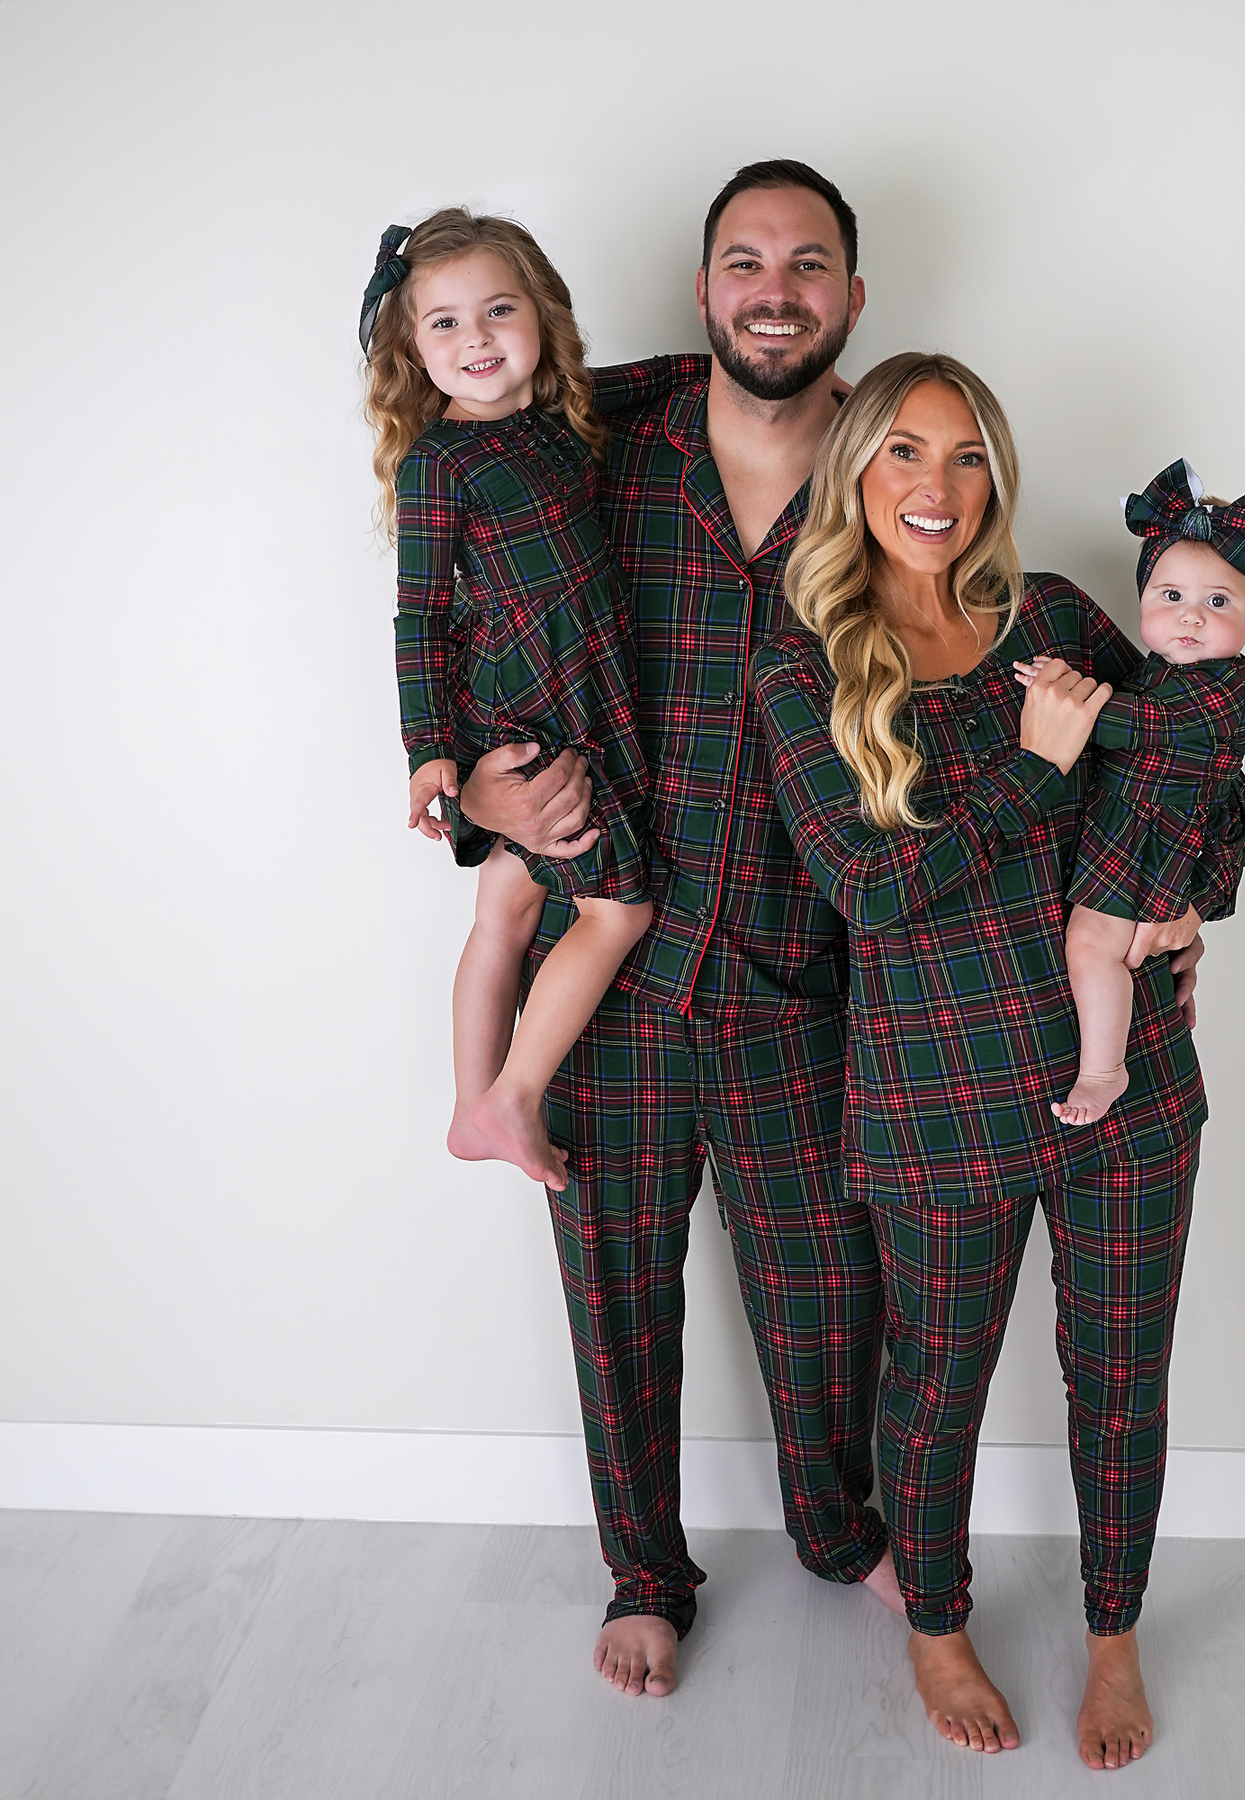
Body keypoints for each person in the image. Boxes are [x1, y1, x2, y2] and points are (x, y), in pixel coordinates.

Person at [451, 162, 926, 1699]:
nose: (774, 290)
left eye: (808, 263)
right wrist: (473, 784)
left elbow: (1001, 656)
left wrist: (1153, 879)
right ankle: (644, 1574)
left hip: (809, 981)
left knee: (831, 1304)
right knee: (616, 1303)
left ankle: (841, 1532)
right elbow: (471, 608)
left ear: (853, 296)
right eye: (745, 261)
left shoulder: (905, 473)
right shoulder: (585, 443)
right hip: (607, 978)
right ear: (706, 288)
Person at [751, 353, 1210, 1770]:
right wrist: (1036, 770)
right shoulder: (800, 664)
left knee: (1121, 1374)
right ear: (854, 472)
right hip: (938, 1093)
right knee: (936, 1385)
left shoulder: (1053, 617)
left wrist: (1196, 899)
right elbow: (867, 888)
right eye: (904, 451)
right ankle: (937, 1623)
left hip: (1127, 1078)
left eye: (965, 457)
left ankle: (1115, 1633)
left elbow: (1195, 764)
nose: (936, 487)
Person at [364, 208, 654, 1191]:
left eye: (498, 311)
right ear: (413, 349)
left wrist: (734, 374)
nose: (475, 338)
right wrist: (428, 753)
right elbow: (417, 617)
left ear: (543, 316)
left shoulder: (562, 421)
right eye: (443, 323)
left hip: (578, 690)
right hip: (532, 716)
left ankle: (466, 1107)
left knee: (505, 914)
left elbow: (649, 379)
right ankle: (511, 1096)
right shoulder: (438, 464)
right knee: (616, 910)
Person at [1020, 458, 1245, 1125]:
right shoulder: (1154, 669)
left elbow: (1147, 725)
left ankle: (1103, 1070)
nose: (1190, 616)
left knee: (1094, 945)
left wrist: (1065, 700)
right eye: (1170, 596)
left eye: (1218, 602)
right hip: (1128, 828)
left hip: (1154, 841)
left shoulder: (1226, 687)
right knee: (1095, 946)